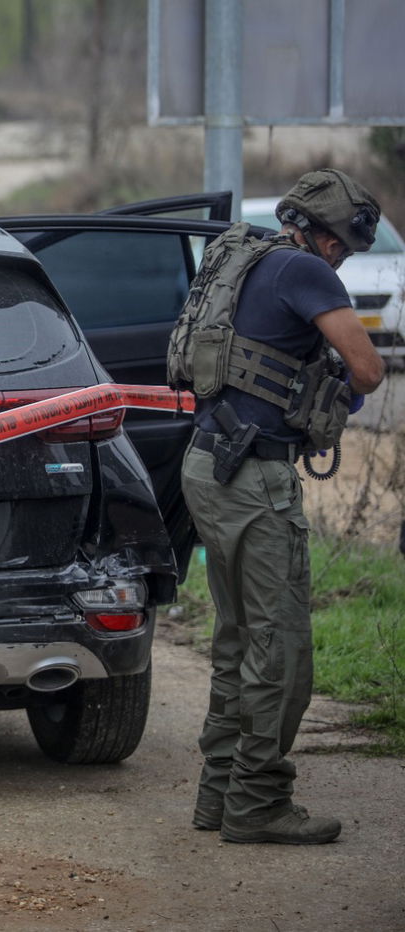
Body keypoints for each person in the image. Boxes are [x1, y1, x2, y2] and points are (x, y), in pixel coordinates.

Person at [174, 169, 385, 845]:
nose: (343, 259)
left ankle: (219, 795)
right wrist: (340, 397)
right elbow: (369, 368)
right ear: (323, 234)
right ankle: (259, 801)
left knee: (238, 636)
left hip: (206, 463)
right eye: (344, 247)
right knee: (281, 645)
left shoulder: (243, 258)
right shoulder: (306, 271)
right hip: (256, 477)